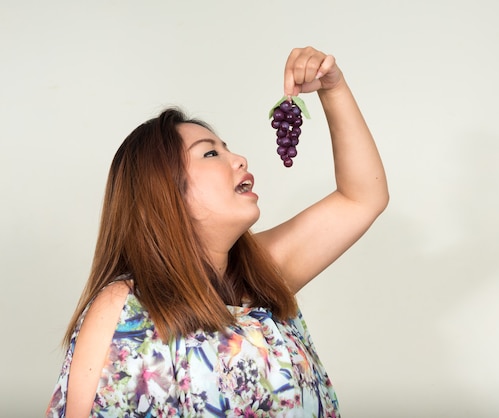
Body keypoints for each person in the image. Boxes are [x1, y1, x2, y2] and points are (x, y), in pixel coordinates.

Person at [46, 46, 389, 417]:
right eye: (210, 153)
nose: (239, 158)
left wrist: (332, 88)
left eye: (226, 148)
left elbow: (363, 197)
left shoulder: (259, 277)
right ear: (164, 192)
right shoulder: (123, 309)